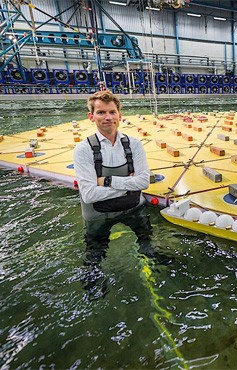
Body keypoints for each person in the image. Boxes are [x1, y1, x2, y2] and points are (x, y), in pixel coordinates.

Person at [74, 90, 152, 297]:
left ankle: (153, 257)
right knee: (94, 254)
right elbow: (89, 194)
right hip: (98, 214)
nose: (107, 117)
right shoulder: (84, 150)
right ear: (91, 117)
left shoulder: (134, 144)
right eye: (101, 112)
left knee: (146, 239)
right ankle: (93, 279)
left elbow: (144, 181)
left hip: (133, 207)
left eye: (111, 112)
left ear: (120, 115)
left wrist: (106, 181)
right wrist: (130, 184)